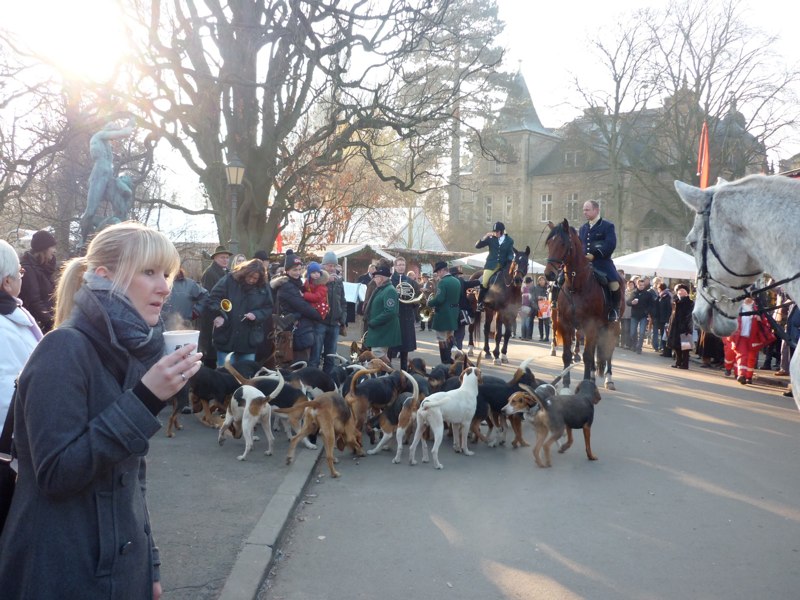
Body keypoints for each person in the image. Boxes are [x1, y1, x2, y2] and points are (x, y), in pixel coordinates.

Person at [0, 221, 202, 600]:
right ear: (104, 276)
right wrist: (145, 399)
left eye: (166, 274)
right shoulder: (63, 349)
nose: (164, 287)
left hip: (122, 570)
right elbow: (55, 474)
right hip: (62, 571)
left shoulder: (129, 351)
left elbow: (132, 476)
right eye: (149, 272)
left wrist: (150, 565)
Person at [0, 240, 42, 424]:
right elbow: (7, 394)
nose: (21, 276)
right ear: (7, 282)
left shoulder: (11, 321)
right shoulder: (5, 329)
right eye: (20, 272)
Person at [208, 258, 273, 367]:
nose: (251, 280)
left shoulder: (263, 287)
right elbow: (213, 298)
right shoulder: (229, 279)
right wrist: (218, 315)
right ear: (245, 272)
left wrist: (256, 315)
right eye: (250, 276)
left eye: (255, 278)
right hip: (227, 336)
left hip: (248, 339)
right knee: (224, 373)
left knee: (246, 374)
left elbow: (268, 307)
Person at [80, 118, 136, 243]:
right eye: (113, 131)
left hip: (109, 177)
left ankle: (119, 233)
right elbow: (125, 133)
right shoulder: (99, 136)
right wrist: (131, 124)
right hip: (99, 175)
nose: (113, 137)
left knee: (121, 203)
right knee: (90, 212)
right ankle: (82, 240)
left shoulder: (107, 145)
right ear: (109, 129)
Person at [272, 250, 322, 362]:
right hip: (295, 332)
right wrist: (319, 315)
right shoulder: (287, 286)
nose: (298, 272)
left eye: (299, 269)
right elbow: (302, 306)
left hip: (301, 330)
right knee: (299, 363)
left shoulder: (297, 284)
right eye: (294, 270)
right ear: (287, 270)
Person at [579, 200, 622, 321]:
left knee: (614, 283)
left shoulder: (607, 226)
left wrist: (595, 255)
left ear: (596, 210)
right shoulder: (583, 228)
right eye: (584, 210)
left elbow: (610, 244)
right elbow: (580, 246)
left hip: (602, 262)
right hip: (584, 264)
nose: (585, 212)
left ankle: (614, 309)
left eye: (587, 210)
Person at [18, 229, 58, 333]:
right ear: (43, 248)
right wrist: (53, 323)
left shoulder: (44, 268)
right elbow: (34, 302)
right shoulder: (28, 269)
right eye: (52, 247)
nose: (54, 251)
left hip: (48, 323)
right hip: (38, 327)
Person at [199, 245, 232, 367]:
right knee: (211, 351)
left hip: (225, 314)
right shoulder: (209, 273)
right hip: (213, 316)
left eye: (227, 257)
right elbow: (208, 297)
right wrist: (217, 314)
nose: (225, 260)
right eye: (222, 257)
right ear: (215, 258)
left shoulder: (228, 272)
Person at [730, 295, 775, 385]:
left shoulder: (757, 308)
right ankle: (741, 375)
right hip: (741, 336)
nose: (748, 299)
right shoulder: (738, 308)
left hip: (754, 337)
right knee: (742, 355)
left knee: (751, 357)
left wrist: (760, 319)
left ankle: (749, 376)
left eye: (750, 297)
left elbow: (765, 322)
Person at [363, 259, 401, 362]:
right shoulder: (382, 289)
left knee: (377, 353)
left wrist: (373, 322)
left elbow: (390, 311)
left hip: (384, 328)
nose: (374, 279)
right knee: (377, 353)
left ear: (381, 278)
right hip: (380, 328)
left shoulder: (389, 290)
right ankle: (387, 370)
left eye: (376, 277)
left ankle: (390, 370)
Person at [474, 221, 515, 312]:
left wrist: (509, 260)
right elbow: (477, 246)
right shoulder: (491, 238)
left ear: (502, 231)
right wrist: (485, 236)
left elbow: (510, 253)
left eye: (497, 231)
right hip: (491, 265)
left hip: (504, 265)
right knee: (485, 282)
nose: (496, 233)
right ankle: (480, 303)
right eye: (495, 231)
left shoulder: (509, 241)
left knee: (512, 280)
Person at [388, 256, 419, 371]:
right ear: (395, 267)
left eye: (403, 265)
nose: (401, 267)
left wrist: (413, 301)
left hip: (406, 316)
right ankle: (388, 370)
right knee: (390, 347)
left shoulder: (410, 281)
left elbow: (416, 298)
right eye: (399, 265)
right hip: (394, 317)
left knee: (404, 348)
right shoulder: (390, 281)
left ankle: (404, 372)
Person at [427, 261, 461, 364]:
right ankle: (452, 362)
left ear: (442, 270)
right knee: (450, 338)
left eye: (438, 272)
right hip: (453, 314)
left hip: (443, 315)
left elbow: (439, 299)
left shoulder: (443, 282)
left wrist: (429, 303)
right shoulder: (456, 281)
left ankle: (445, 363)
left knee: (442, 340)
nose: (437, 274)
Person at [319, 251, 347, 375]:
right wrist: (326, 280)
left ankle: (328, 381)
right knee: (315, 356)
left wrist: (342, 319)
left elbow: (343, 302)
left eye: (334, 265)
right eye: (329, 265)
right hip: (320, 322)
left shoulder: (339, 281)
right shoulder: (317, 278)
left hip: (335, 323)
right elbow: (312, 291)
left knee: (330, 358)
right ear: (323, 265)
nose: (332, 268)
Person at [302, 261, 330, 369]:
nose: (316, 275)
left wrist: (304, 295)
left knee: (318, 344)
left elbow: (317, 297)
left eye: (318, 272)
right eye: (314, 273)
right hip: (312, 311)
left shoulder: (322, 285)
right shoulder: (307, 283)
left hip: (319, 311)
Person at [452, 266, 481, 350]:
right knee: (460, 333)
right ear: (457, 274)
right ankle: (458, 349)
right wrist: (481, 279)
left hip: (449, 312)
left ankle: (451, 349)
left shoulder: (445, 282)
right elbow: (474, 283)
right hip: (460, 312)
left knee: (449, 333)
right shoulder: (461, 281)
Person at [666, 283, 694, 369]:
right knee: (676, 346)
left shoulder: (690, 303)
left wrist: (688, 328)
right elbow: (672, 315)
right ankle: (678, 362)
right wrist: (669, 325)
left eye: (682, 290)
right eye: (678, 290)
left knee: (685, 347)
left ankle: (685, 364)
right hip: (675, 326)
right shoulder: (676, 302)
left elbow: (690, 317)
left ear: (687, 292)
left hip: (685, 327)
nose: (680, 292)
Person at [626, 278, 654, 354]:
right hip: (634, 315)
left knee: (641, 333)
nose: (642, 286)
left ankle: (639, 348)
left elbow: (651, 305)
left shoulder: (648, 294)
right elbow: (628, 302)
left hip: (643, 316)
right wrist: (632, 302)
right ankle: (634, 345)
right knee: (632, 333)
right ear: (637, 285)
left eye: (643, 285)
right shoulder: (634, 293)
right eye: (640, 285)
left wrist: (647, 311)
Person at [653, 282, 673, 354]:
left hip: (665, 319)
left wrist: (667, 320)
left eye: (658, 288)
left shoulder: (667, 296)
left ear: (660, 289)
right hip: (661, 318)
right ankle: (664, 350)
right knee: (663, 335)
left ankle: (667, 351)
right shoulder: (661, 296)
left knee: (665, 335)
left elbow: (669, 309)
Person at [532, 275, 550, 342]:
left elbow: (550, 296)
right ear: (538, 281)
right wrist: (537, 306)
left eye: (543, 280)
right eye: (540, 280)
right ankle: (541, 336)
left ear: (545, 281)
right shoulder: (536, 288)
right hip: (539, 307)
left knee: (547, 323)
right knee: (540, 323)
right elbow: (533, 298)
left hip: (546, 308)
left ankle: (547, 337)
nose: (542, 281)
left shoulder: (548, 287)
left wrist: (544, 298)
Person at [520, 276, 534, 341]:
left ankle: (523, 336)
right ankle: (527, 337)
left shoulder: (522, 289)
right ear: (530, 282)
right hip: (528, 308)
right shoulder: (531, 289)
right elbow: (532, 300)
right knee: (526, 323)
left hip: (523, 307)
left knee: (523, 323)